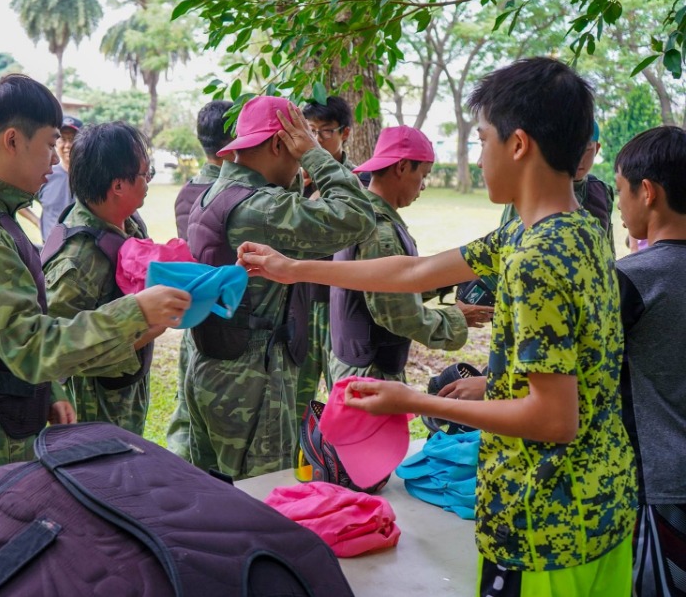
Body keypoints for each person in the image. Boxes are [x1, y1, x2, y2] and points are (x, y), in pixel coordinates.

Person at [239, 58, 637, 596]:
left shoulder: (537, 255)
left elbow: (553, 418)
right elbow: (416, 272)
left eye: (482, 140)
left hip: (544, 524)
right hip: (602, 506)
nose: (479, 155)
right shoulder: (576, 230)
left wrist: (413, 402)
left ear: (518, 145)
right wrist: (292, 268)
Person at [0, 74, 189, 491]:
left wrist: (54, 391)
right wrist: (137, 311)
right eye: (48, 144)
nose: (56, 159)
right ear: (12, 140)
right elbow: (32, 347)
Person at [183, 95, 374, 480]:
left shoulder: (214, 192)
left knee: (212, 487)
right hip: (251, 380)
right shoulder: (263, 208)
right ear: (278, 144)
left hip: (210, 362)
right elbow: (359, 218)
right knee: (262, 495)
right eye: (301, 144)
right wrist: (317, 155)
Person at [328, 125, 492, 386]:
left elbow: (396, 286)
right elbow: (397, 313)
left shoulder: (363, 213)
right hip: (370, 373)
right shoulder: (380, 233)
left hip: (359, 365)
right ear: (402, 167)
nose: (424, 186)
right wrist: (457, 317)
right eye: (423, 175)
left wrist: (451, 288)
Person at [42, 122, 162, 436]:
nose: (148, 183)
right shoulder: (78, 259)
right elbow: (56, 352)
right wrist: (151, 327)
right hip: (95, 415)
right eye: (143, 175)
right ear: (117, 186)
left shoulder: (128, 222)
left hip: (126, 392)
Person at [613, 125, 686, 597]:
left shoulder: (632, 279)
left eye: (620, 190)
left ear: (647, 191)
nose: (619, 206)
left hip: (659, 487)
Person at [166, 100, 234, 459]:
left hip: (195, 321)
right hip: (231, 328)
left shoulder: (187, 193)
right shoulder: (235, 195)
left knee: (188, 413)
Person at [290, 96, 359, 417]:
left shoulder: (357, 181)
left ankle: (338, 465)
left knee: (342, 399)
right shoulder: (287, 180)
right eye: (311, 130)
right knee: (294, 401)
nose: (316, 140)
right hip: (299, 302)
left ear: (345, 133)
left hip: (340, 304)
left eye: (326, 132)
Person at [500, 120, 614, 249]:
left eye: (587, 149)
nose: (579, 158)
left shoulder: (602, 191)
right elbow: (507, 244)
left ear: (597, 149)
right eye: (572, 148)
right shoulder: (530, 188)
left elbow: (607, 247)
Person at [18, 115, 79, 242]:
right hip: (51, 251)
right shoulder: (46, 174)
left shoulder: (91, 176)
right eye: (62, 139)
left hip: (82, 249)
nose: (67, 145)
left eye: (72, 139)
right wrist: (37, 222)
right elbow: (17, 198)